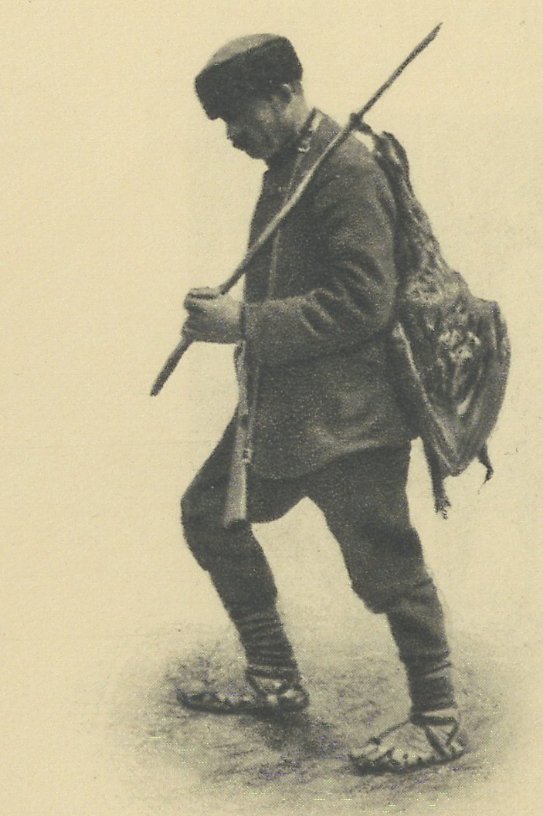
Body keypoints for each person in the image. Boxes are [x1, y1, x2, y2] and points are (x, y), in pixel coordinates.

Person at [178, 33, 466, 773]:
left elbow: (362, 304)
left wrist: (242, 322)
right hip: (281, 409)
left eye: (238, 116)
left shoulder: (344, 170)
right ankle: (273, 678)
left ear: (281, 96)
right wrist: (235, 314)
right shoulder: (291, 165)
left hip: (350, 416)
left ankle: (438, 720)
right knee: (209, 514)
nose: (230, 134)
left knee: (385, 564)